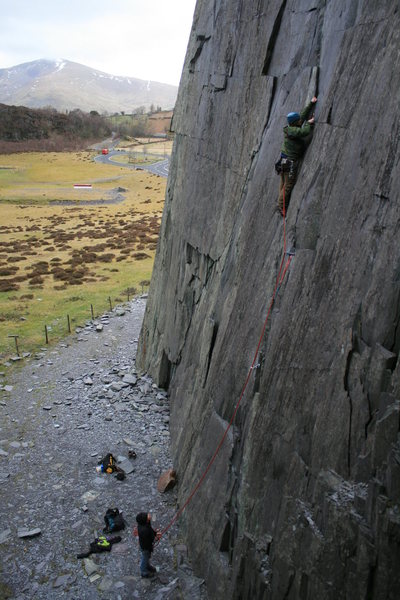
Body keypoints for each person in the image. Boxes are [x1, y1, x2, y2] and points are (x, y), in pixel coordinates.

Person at [277, 96, 317, 215]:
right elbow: (304, 132)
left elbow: (301, 116)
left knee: (283, 182)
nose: (301, 121)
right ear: (294, 123)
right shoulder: (292, 131)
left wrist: (311, 103)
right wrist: (309, 124)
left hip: (284, 159)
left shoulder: (292, 126)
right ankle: (281, 206)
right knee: (288, 184)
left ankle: (280, 203)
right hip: (289, 161)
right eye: (298, 121)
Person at [135, 512, 160, 578]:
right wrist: (156, 538)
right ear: (145, 520)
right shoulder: (145, 530)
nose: (149, 515)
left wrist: (155, 533)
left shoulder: (142, 525)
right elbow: (151, 539)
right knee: (145, 558)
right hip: (146, 547)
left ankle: (147, 566)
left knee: (147, 557)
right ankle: (144, 572)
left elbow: (150, 529)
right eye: (147, 516)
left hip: (144, 545)